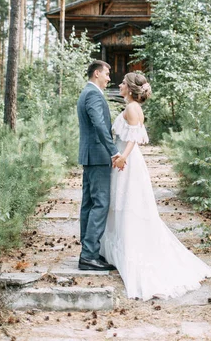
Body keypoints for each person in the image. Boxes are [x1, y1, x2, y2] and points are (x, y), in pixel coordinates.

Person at [100, 72, 211, 300]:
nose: (119, 85)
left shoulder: (132, 108)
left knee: (127, 204)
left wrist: (122, 156)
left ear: (130, 89)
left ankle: (131, 251)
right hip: (125, 159)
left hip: (128, 161)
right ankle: (115, 251)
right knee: (121, 204)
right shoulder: (131, 107)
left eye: (123, 83)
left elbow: (133, 137)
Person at [77, 60, 120, 271]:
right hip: (98, 156)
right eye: (106, 74)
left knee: (89, 204)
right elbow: (99, 124)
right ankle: (89, 255)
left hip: (90, 155)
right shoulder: (93, 94)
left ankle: (87, 252)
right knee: (100, 203)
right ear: (96, 74)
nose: (109, 78)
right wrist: (114, 151)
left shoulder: (87, 92)